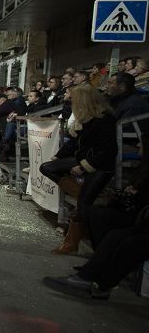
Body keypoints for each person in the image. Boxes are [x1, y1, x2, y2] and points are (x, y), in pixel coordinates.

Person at [38, 84, 117, 254]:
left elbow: (108, 151)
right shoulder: (85, 119)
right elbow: (74, 143)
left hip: (100, 166)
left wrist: (83, 167)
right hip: (82, 159)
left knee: (84, 205)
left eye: (74, 99)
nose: (71, 101)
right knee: (47, 167)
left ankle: (73, 243)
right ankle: (82, 193)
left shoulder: (104, 121)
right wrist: (58, 157)